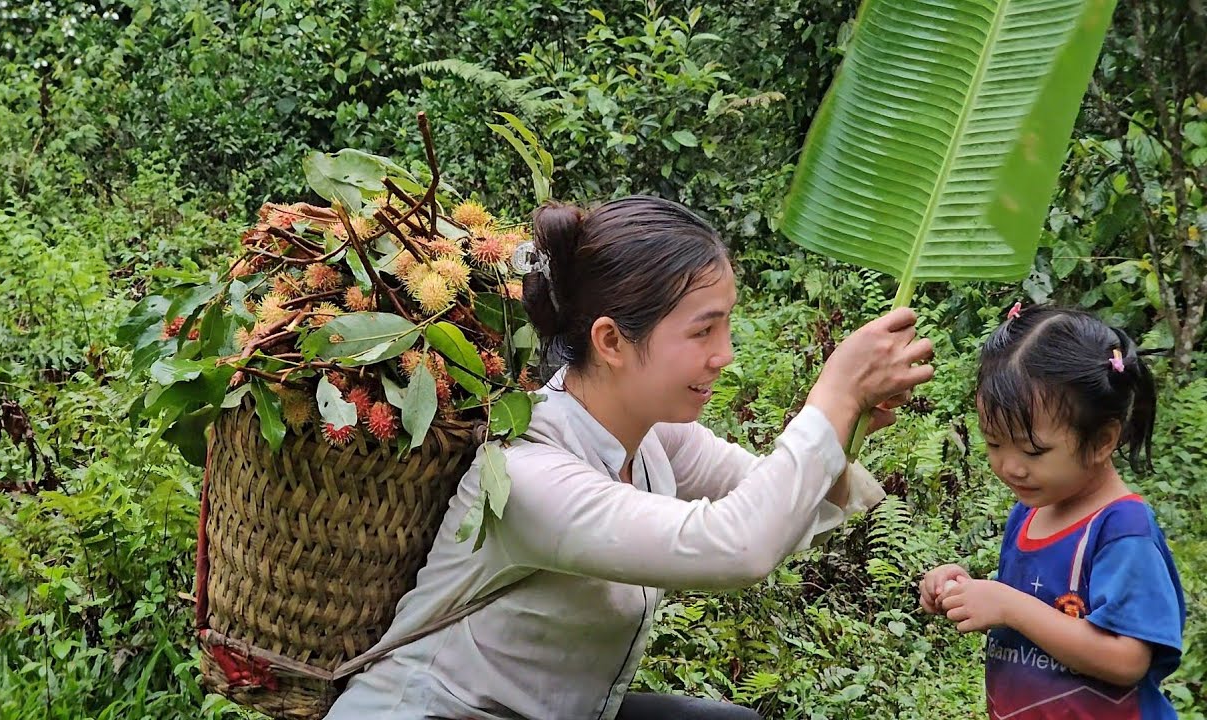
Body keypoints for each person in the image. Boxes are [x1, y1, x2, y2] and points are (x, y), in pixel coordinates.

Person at [326, 195, 935, 720]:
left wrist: (845, 421)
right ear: (612, 340)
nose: (724, 354)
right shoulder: (526, 472)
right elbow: (738, 545)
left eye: (726, 327)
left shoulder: (652, 437)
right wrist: (832, 397)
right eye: (703, 331)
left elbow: (775, 500)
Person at [920, 304, 1186, 719]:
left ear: (1102, 441)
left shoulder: (1122, 530)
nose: (1010, 466)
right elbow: (1039, 609)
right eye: (993, 443)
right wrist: (966, 590)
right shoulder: (1029, 513)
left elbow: (1127, 660)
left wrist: (1009, 606)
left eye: (1033, 450)